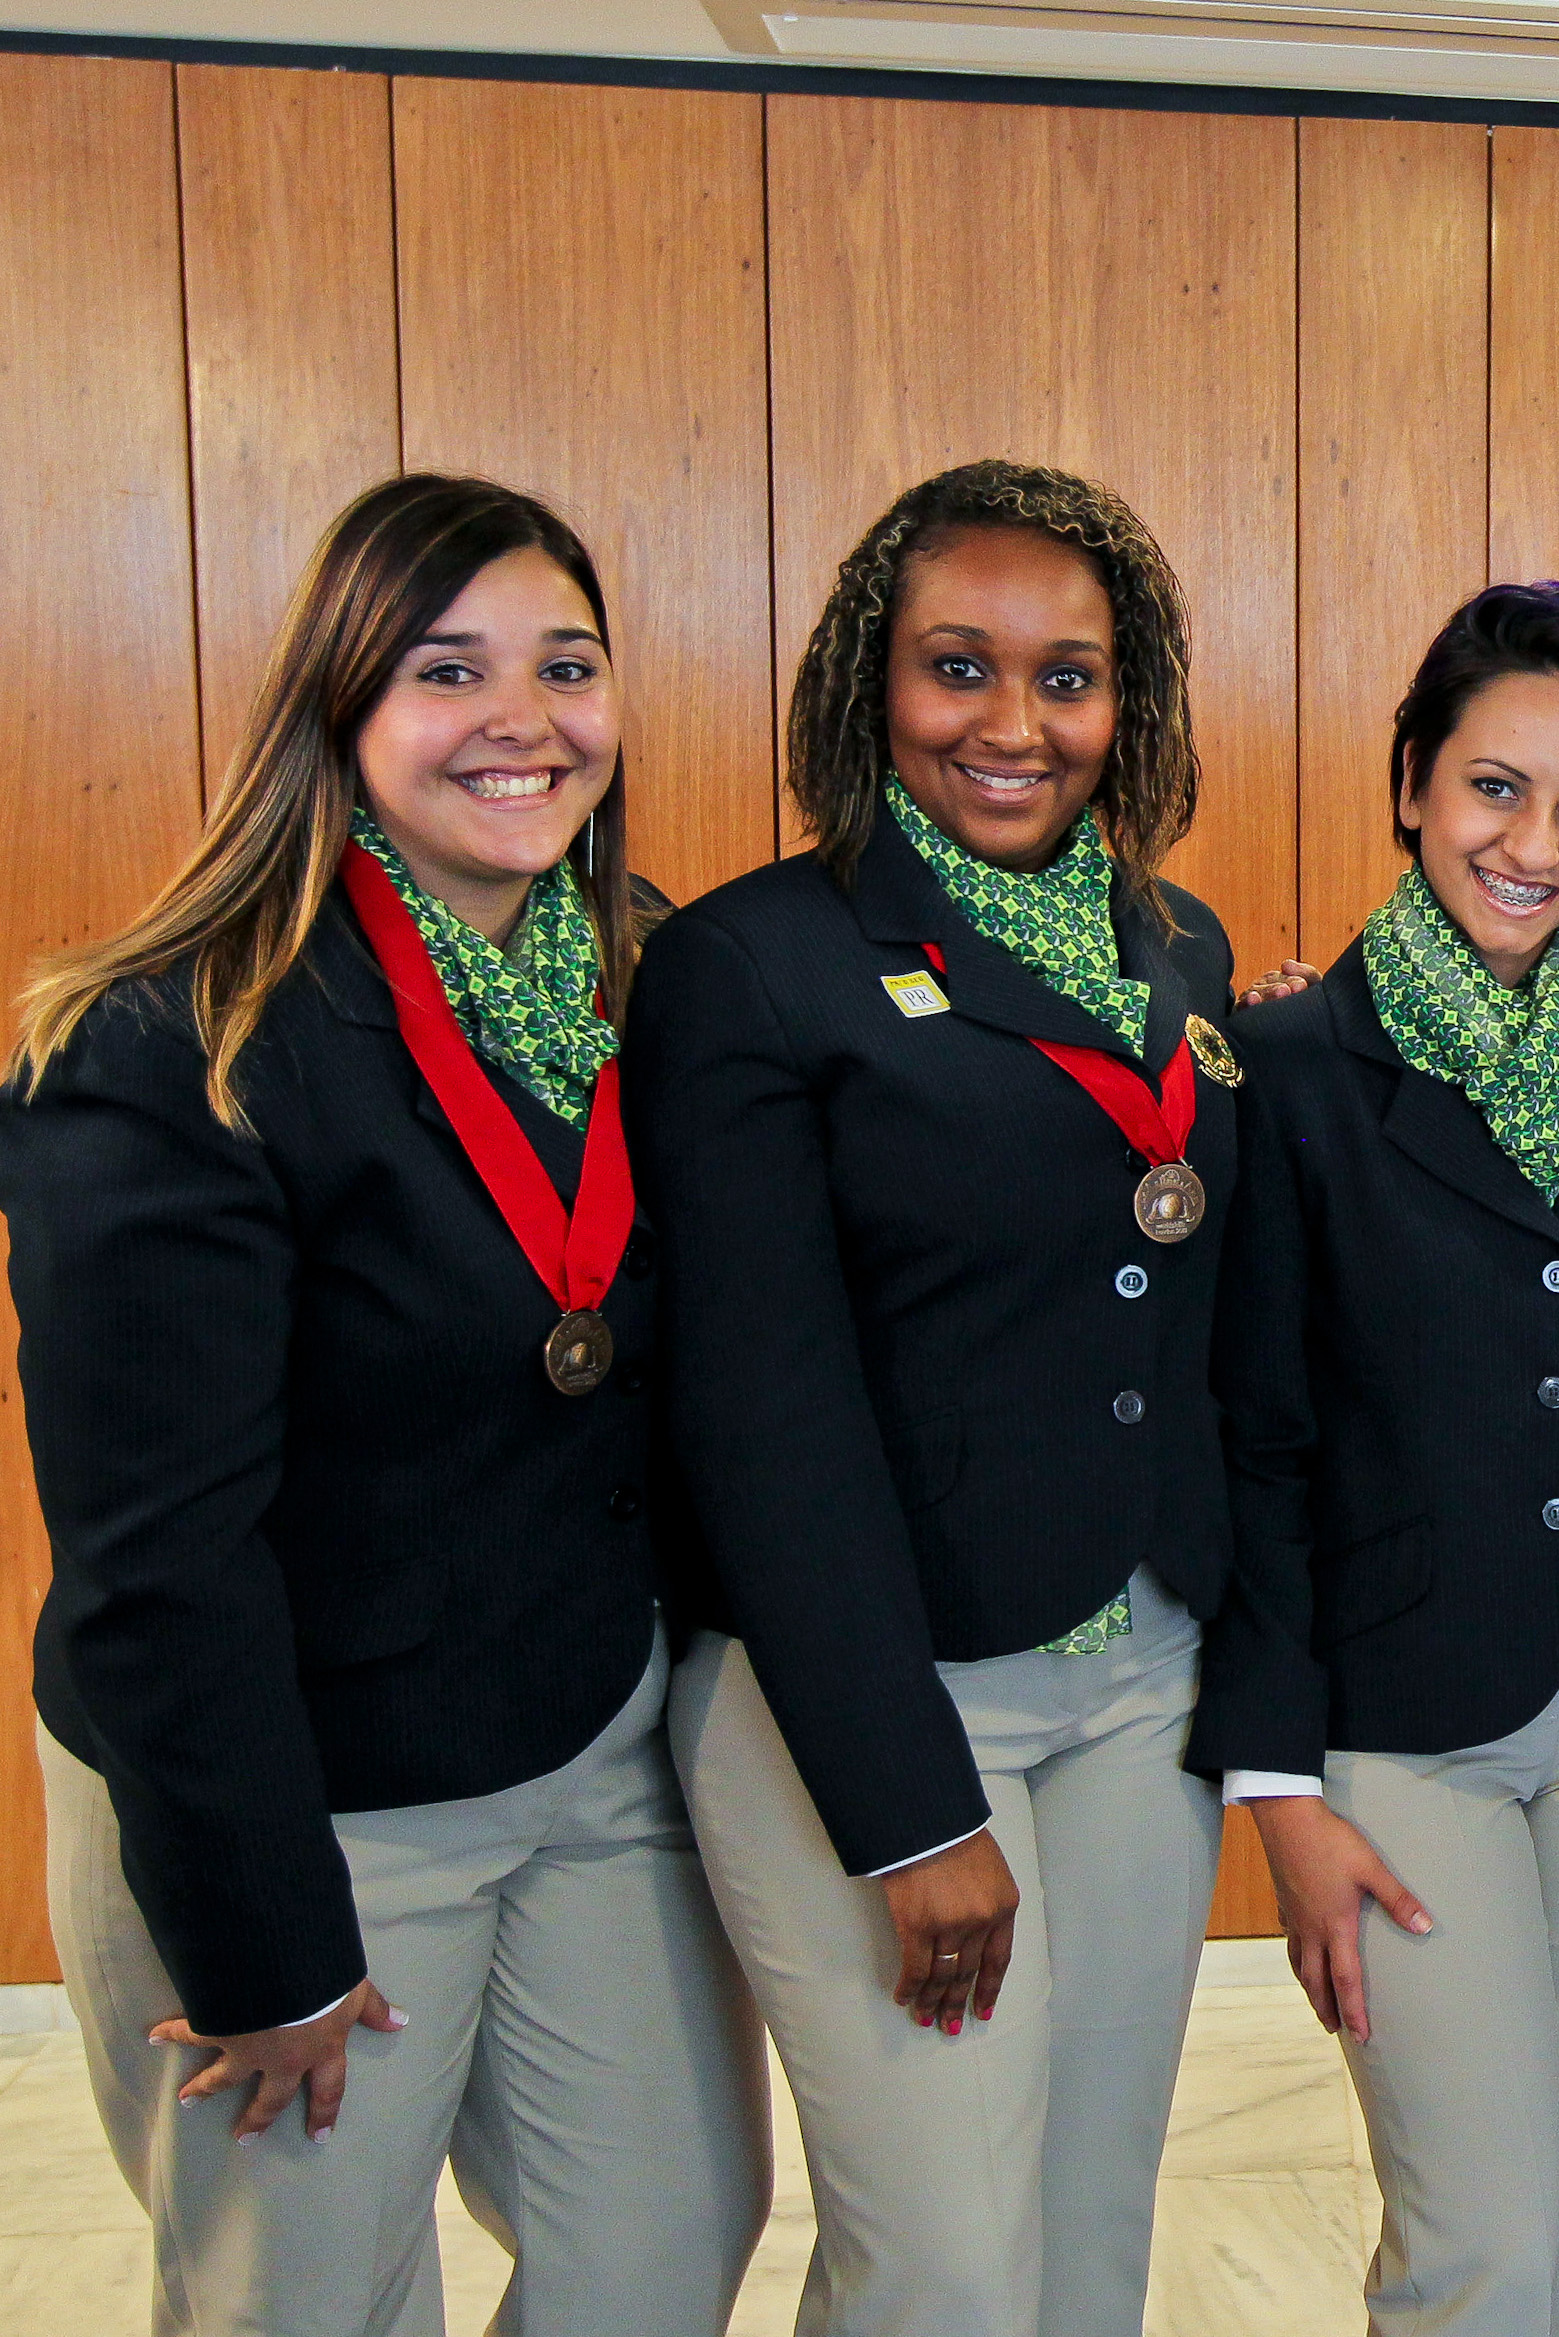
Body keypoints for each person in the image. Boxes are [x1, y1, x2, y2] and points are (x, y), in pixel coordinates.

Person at [0, 473, 767, 2335]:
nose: (524, 718)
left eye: (566, 665)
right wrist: (258, 1942)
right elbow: (158, 1563)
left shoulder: (647, 978)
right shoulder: (173, 1044)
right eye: (448, 669)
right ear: (338, 715)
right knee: (311, 2299)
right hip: (293, 1786)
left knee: (664, 2245)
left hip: (584, 1738)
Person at [624, 460, 1241, 2337]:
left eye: (1069, 677)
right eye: (956, 666)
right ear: (865, 682)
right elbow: (760, 1415)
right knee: (943, 2264)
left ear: (1127, 703)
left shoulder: (1177, 946)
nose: (1013, 723)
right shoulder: (753, 963)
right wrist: (905, 1812)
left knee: (1083, 2230)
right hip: (879, 1694)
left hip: (1140, 1672)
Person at [1196, 580, 1559, 2337]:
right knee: (1474, 2244)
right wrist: (1277, 1790)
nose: (1535, 845)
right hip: (1398, 1722)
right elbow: (1250, 1445)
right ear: (1415, 778)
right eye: (1496, 787)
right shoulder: (1279, 1067)